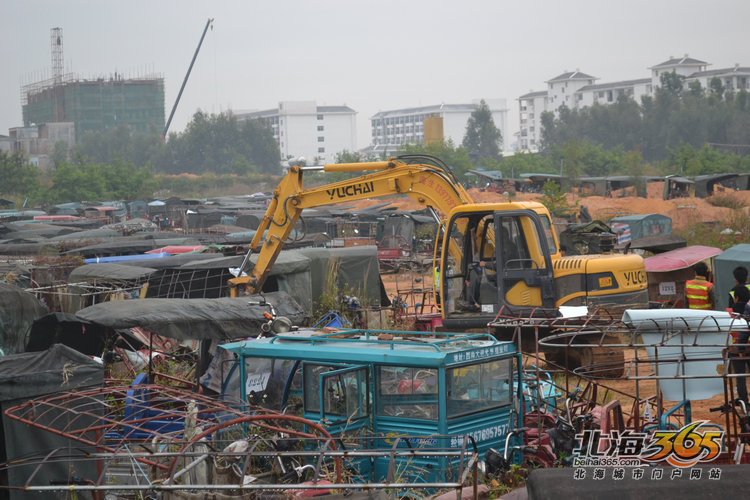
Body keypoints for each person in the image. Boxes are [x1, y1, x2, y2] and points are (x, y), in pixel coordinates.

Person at [729, 284, 750, 403]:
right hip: (748, 347)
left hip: (736, 349)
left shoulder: (730, 312)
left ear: (736, 298)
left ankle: (744, 403)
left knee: (740, 378)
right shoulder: (749, 308)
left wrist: (740, 349)